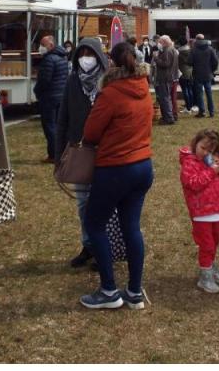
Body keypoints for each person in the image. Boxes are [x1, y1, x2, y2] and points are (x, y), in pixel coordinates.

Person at [79, 42, 154, 310]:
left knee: (94, 224)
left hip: (115, 167)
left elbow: (91, 133)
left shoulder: (110, 93)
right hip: (142, 165)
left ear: (111, 62)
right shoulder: (144, 87)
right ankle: (134, 291)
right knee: (131, 227)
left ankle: (109, 290)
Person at [55, 37, 109, 269]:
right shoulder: (73, 80)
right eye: (82, 54)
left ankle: (103, 248)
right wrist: (58, 154)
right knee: (82, 203)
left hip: (105, 150)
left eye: (90, 54)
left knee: (102, 203)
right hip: (79, 149)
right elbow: (63, 117)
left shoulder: (108, 80)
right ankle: (88, 245)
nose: (86, 59)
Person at [179, 129, 219, 294]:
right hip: (201, 212)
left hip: (216, 209)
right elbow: (192, 184)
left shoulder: (211, 161)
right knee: (206, 244)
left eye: (210, 150)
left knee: (214, 241)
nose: (205, 153)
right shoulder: (189, 163)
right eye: (203, 148)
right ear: (195, 143)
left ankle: (211, 266)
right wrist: (210, 172)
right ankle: (205, 276)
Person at [34, 35, 70, 163]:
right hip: (60, 96)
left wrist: (37, 91)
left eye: (43, 45)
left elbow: (44, 81)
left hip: (49, 97)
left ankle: (54, 155)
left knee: (50, 127)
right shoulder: (63, 57)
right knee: (59, 126)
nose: (41, 47)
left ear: (51, 45)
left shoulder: (49, 59)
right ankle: (62, 152)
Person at [191, 34, 219, 118]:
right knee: (209, 93)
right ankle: (211, 111)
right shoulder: (210, 49)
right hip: (208, 73)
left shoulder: (194, 49)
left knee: (199, 94)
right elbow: (215, 61)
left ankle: (202, 111)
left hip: (197, 74)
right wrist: (212, 70)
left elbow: (189, 61)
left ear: (196, 39)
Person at [152, 35, 178, 125]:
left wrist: (156, 58)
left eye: (160, 42)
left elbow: (166, 64)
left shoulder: (168, 50)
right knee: (166, 98)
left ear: (164, 42)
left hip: (165, 77)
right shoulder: (172, 49)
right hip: (169, 77)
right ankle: (167, 117)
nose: (159, 44)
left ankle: (168, 118)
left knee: (165, 98)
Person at [177, 37, 195, 114]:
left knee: (185, 90)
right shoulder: (191, 51)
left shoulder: (179, 52)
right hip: (190, 72)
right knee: (190, 89)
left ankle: (188, 108)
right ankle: (191, 106)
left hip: (182, 73)